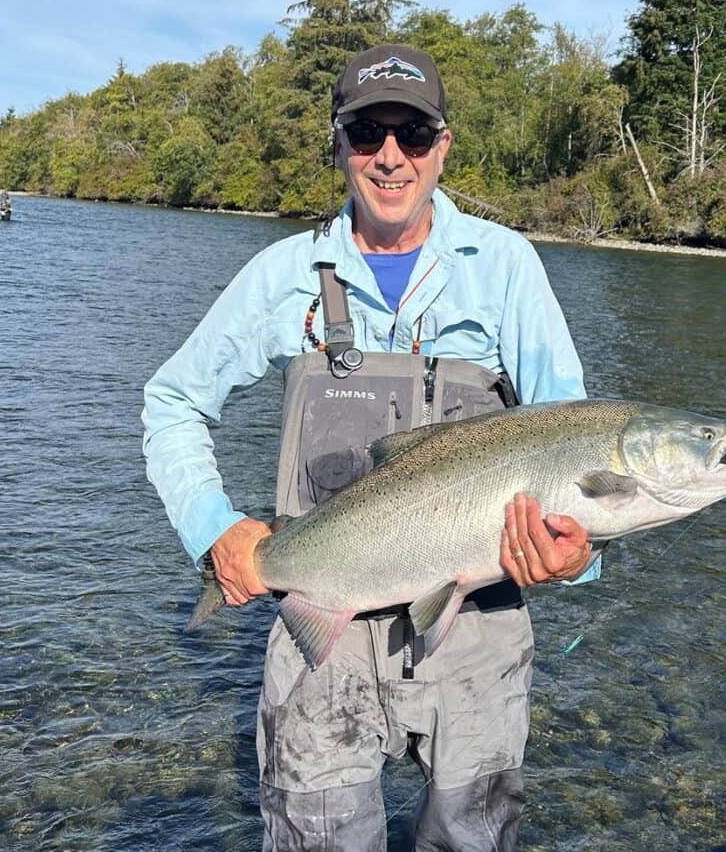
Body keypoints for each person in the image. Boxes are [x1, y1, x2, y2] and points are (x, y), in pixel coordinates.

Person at [142, 44, 601, 852]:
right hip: (328, 622)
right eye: (368, 132)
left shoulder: (505, 269)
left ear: (443, 144)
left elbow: (570, 438)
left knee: (475, 836)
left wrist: (575, 556)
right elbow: (171, 401)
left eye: (413, 134)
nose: (391, 157)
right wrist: (214, 527)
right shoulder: (284, 275)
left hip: (480, 624)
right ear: (340, 142)